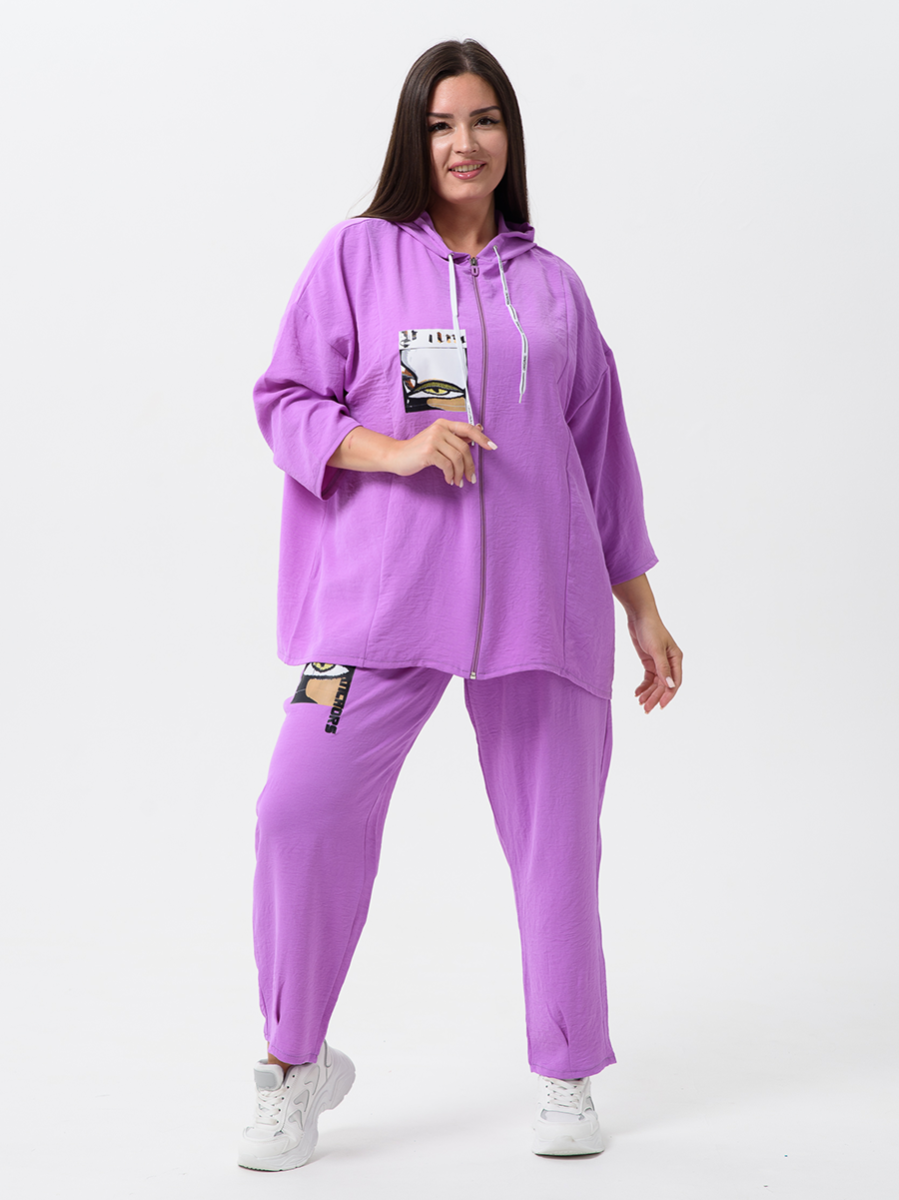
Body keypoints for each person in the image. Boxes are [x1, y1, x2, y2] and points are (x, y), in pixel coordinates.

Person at [238, 37, 683, 1171]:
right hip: (375, 607)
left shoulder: (553, 286)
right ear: (413, 138)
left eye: (482, 120)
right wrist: (391, 449)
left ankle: (567, 1071)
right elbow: (284, 399)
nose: (463, 143)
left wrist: (640, 606)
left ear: (508, 136)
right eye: (440, 124)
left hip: (544, 605)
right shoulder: (357, 256)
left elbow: (600, 455)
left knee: (556, 845)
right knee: (297, 806)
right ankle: (292, 1065)